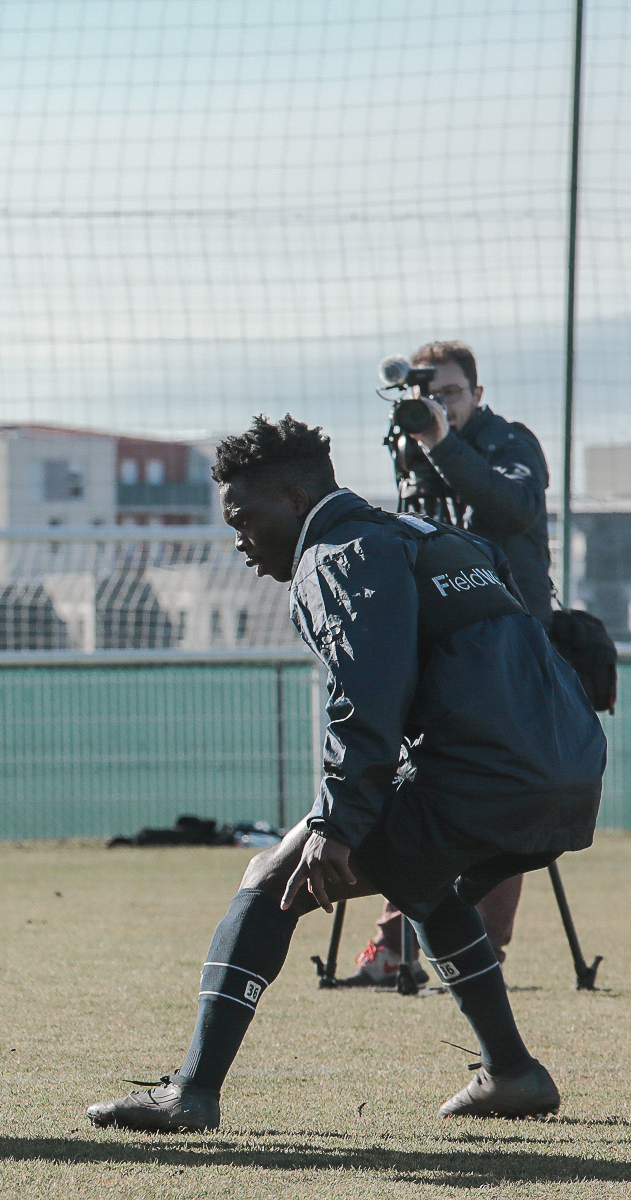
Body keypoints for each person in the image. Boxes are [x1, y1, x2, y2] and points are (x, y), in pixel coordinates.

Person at [86, 415, 603, 1132]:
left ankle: (192, 1092)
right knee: (418, 881)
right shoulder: (435, 537)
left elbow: (366, 698)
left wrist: (337, 825)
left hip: (484, 779)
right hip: (571, 777)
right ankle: (513, 1073)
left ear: (297, 498)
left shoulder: (337, 554)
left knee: (270, 878)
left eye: (243, 516)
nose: (237, 537)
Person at [346, 340, 551, 985]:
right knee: (407, 781)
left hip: (511, 648)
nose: (437, 405)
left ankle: (480, 960)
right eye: (425, 395)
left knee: (501, 795)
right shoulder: (415, 455)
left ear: (477, 396)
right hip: (439, 649)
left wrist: (441, 443)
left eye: (451, 393)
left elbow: (510, 507)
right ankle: (392, 950)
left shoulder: (507, 443)